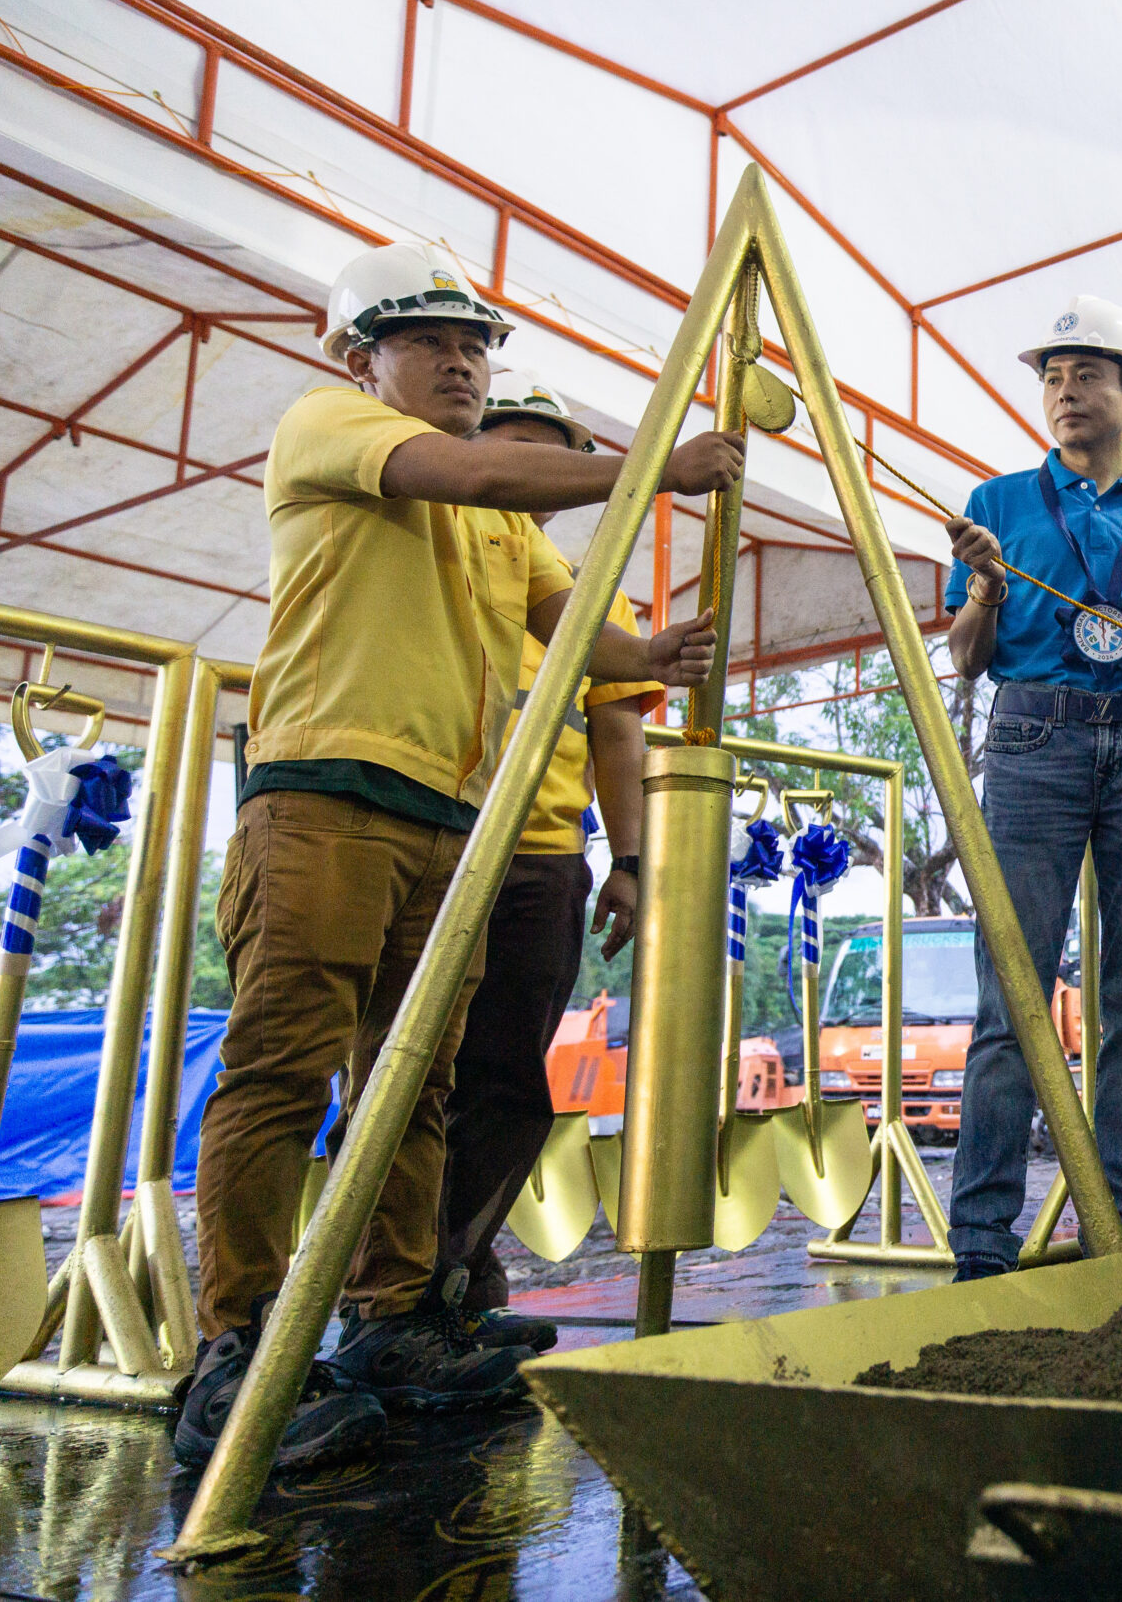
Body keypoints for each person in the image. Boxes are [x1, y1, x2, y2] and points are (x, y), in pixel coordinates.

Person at [181, 245, 739, 1469]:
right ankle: (232, 1350)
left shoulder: (501, 535)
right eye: (428, 341)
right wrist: (660, 468)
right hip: (323, 791)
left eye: (475, 344)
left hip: (454, 822)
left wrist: (663, 654)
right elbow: (480, 469)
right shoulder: (329, 424)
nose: (460, 363)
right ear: (358, 356)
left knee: (416, 1083)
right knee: (283, 1070)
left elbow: (585, 637)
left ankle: (393, 1321)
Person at [941, 296, 1122, 1279]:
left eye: (1086, 373)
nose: (1064, 390)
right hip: (1033, 738)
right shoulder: (998, 503)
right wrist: (982, 588)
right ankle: (980, 1239)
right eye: (1052, 376)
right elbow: (966, 659)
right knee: (1012, 990)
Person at [432, 373, 660, 1354]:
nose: (525, 468)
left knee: (510, 1080)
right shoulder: (426, 555)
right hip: (434, 847)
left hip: (541, 864)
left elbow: (617, 735)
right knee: (402, 1077)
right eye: (504, 444)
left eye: (548, 453)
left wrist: (633, 862)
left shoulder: (586, 599)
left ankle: (458, 1273)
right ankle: (383, 1290)